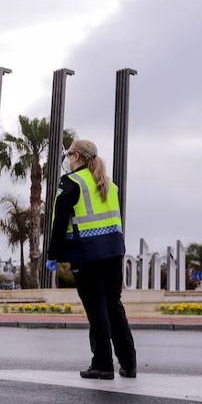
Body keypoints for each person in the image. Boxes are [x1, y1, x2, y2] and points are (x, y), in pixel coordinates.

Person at [45, 139, 136, 380]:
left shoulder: (71, 182)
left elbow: (59, 222)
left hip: (87, 255)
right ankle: (128, 363)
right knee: (114, 306)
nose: (67, 158)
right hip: (114, 252)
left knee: (97, 310)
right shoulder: (109, 184)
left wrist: (53, 255)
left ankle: (103, 364)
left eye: (69, 154)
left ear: (76, 156)